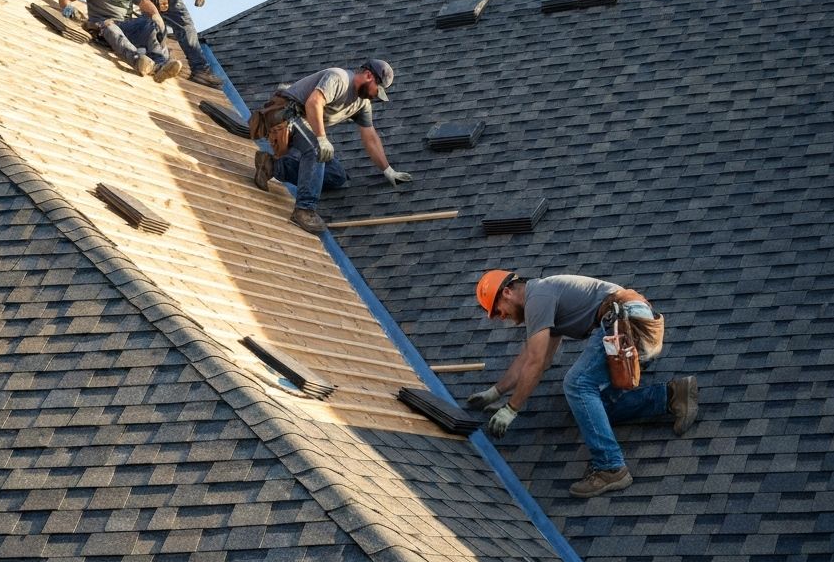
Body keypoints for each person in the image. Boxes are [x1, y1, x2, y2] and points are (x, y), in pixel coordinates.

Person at [468, 270, 698, 498]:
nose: (500, 317)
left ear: (507, 292)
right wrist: (496, 392)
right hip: (639, 323)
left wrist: (511, 409)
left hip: (625, 321)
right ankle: (672, 396)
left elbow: (536, 363)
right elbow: (536, 358)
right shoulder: (544, 298)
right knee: (594, 409)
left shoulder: (537, 298)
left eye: (496, 310)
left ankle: (610, 468)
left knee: (577, 384)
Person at [252, 60, 412, 234]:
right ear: (368, 75)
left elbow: (370, 137)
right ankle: (304, 210)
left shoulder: (362, 104)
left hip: (304, 125)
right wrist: (321, 139)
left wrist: (388, 170)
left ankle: (271, 166)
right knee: (317, 150)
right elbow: (313, 103)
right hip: (285, 115)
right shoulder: (339, 78)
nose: (375, 96)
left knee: (336, 175)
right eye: (377, 89)